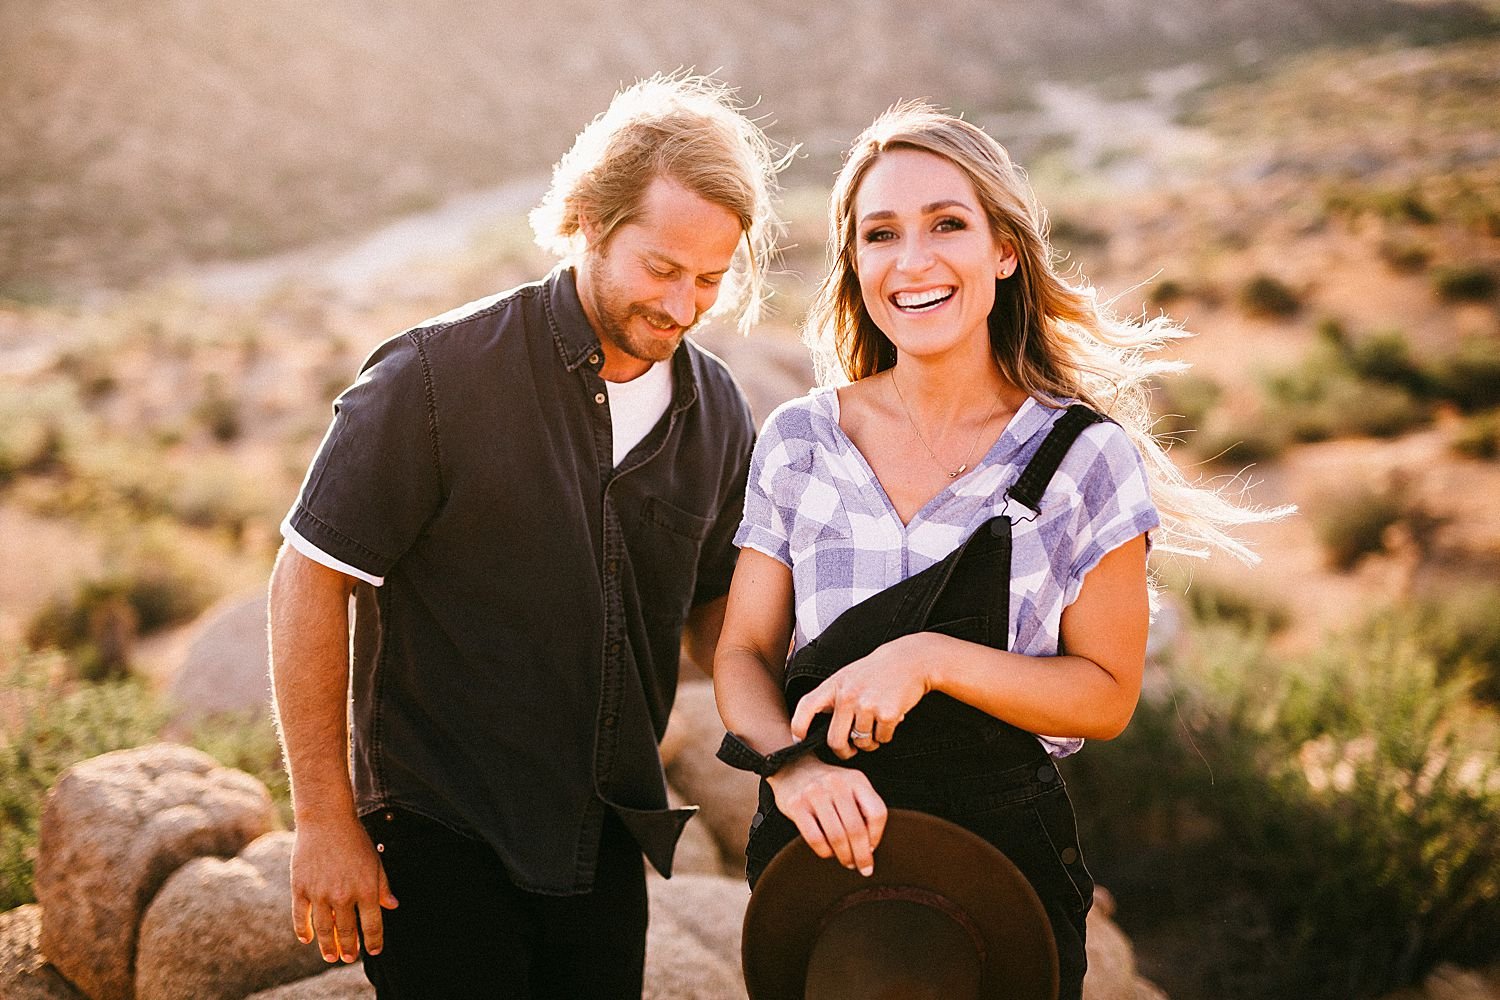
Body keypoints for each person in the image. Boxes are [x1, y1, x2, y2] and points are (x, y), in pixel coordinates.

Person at [713, 102, 1279, 1000]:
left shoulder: (1082, 457)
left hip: (999, 864)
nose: (914, 260)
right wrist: (793, 765)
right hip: (817, 855)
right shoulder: (798, 441)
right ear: (855, 263)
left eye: (949, 224)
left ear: (1004, 250)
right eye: (881, 234)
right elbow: (742, 654)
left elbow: (1106, 694)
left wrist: (928, 658)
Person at [267, 73, 785, 999]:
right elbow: (311, 576)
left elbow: (718, 609)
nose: (683, 305)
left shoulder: (718, 414)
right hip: (438, 834)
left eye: (710, 279)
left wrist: (796, 733)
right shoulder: (434, 377)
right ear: (588, 218)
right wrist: (323, 820)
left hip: (602, 845)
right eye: (661, 269)